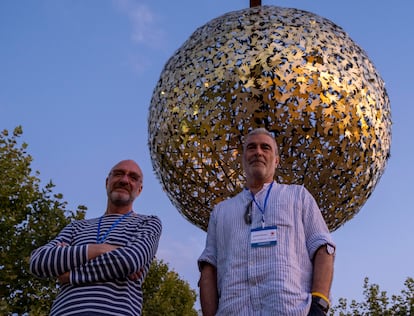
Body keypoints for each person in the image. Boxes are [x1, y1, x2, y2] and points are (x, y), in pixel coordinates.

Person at [198, 128, 335, 316]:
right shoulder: (221, 212)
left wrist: (319, 304)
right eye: (251, 147)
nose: (258, 152)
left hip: (290, 310)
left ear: (276, 160)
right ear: (243, 159)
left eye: (266, 148)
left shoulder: (298, 197)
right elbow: (208, 269)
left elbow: (323, 248)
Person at [30, 159, 162, 316]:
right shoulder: (76, 226)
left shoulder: (148, 222)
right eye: (118, 174)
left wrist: (71, 274)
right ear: (107, 182)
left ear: (139, 189)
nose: (124, 180)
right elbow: (38, 260)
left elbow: (129, 261)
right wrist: (101, 249)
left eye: (133, 177)